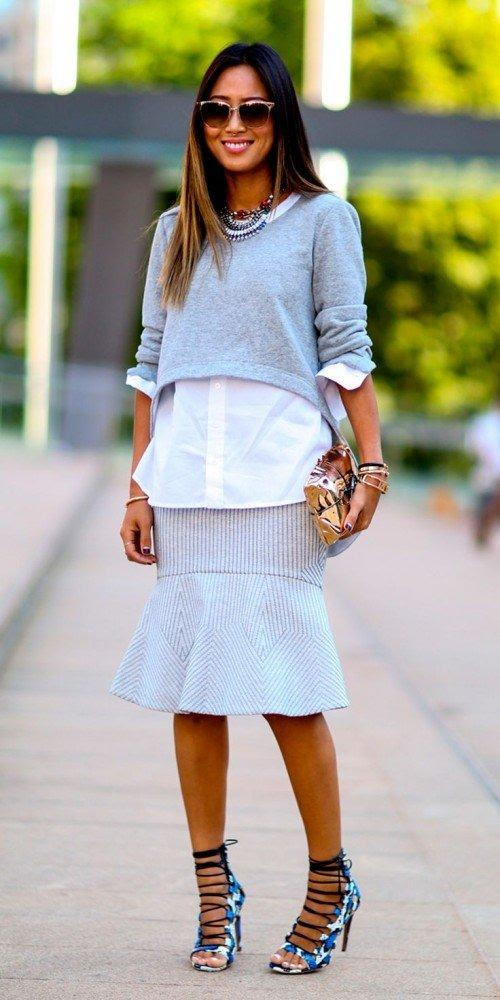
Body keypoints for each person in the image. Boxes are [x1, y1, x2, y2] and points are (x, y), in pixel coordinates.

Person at [110, 41, 389, 976]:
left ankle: (329, 884)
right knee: (194, 694)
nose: (233, 126)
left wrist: (373, 467)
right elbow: (151, 364)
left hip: (279, 479)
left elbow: (347, 345)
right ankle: (212, 893)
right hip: (190, 481)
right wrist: (141, 485)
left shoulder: (324, 220)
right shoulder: (174, 230)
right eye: (217, 110)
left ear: (280, 120)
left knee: (286, 692)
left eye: (253, 110)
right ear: (200, 123)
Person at [465, 396, 500, 546]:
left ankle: (483, 531)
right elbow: (475, 444)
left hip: (492, 468)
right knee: (486, 500)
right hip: (487, 468)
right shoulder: (485, 422)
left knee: (492, 501)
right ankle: (481, 531)